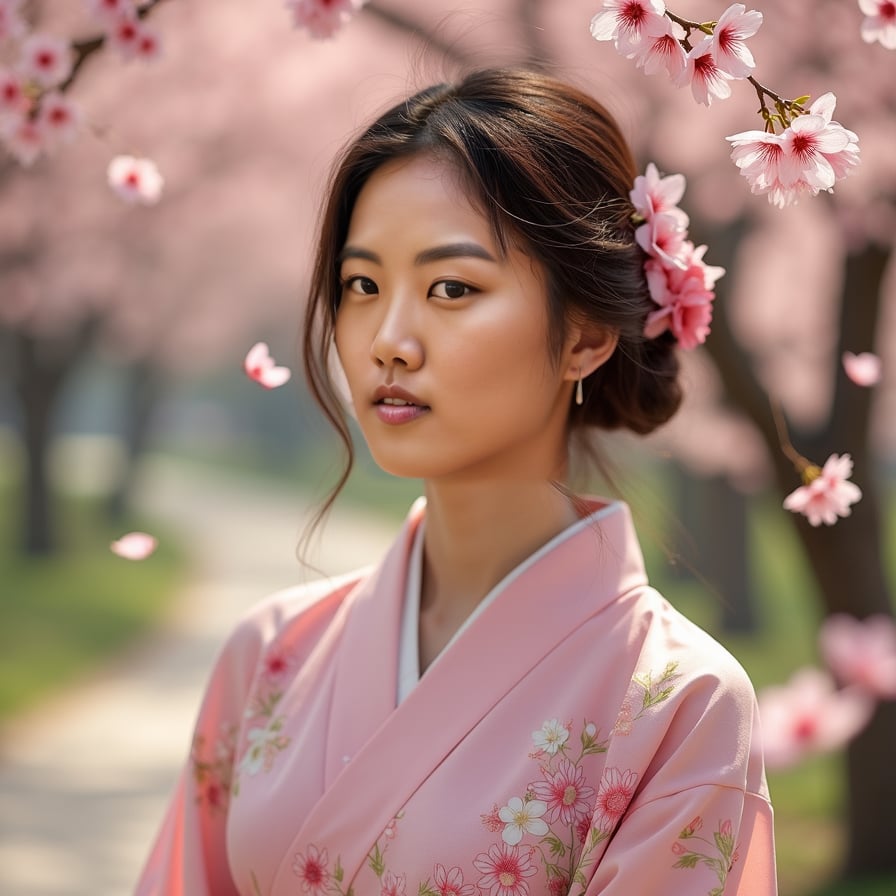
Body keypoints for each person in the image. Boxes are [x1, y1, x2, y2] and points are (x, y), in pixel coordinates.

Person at [136, 68, 777, 896]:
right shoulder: (271, 656)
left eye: (451, 288)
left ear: (584, 336)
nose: (389, 341)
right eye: (362, 285)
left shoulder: (676, 705)